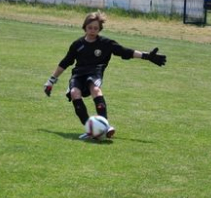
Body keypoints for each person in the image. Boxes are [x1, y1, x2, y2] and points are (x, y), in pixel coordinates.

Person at [43, 11, 167, 140]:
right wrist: (51, 81)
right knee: (74, 93)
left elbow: (124, 51)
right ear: (85, 27)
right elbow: (65, 62)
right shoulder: (77, 44)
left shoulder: (106, 43)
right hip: (78, 74)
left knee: (95, 89)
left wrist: (146, 56)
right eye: (90, 27)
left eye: (96, 28)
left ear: (100, 29)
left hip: (95, 72)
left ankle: (105, 125)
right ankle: (91, 129)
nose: (92, 31)